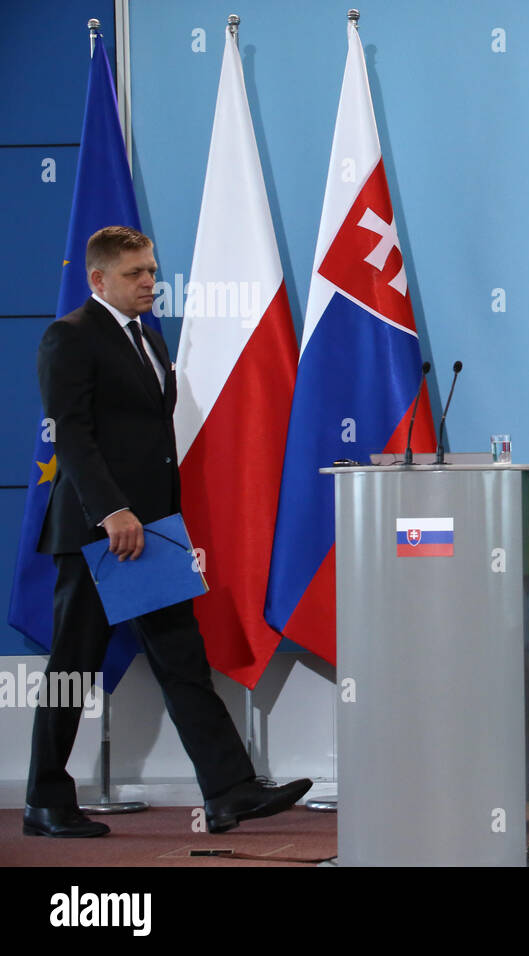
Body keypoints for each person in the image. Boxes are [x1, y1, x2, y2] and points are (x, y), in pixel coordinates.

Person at [24, 225, 310, 838]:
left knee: (183, 659)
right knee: (73, 667)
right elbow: (72, 434)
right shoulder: (68, 338)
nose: (150, 282)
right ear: (99, 279)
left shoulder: (151, 341)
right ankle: (44, 799)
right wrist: (111, 512)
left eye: (152, 270)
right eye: (135, 274)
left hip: (151, 534)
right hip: (98, 536)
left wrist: (158, 523)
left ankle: (229, 790)